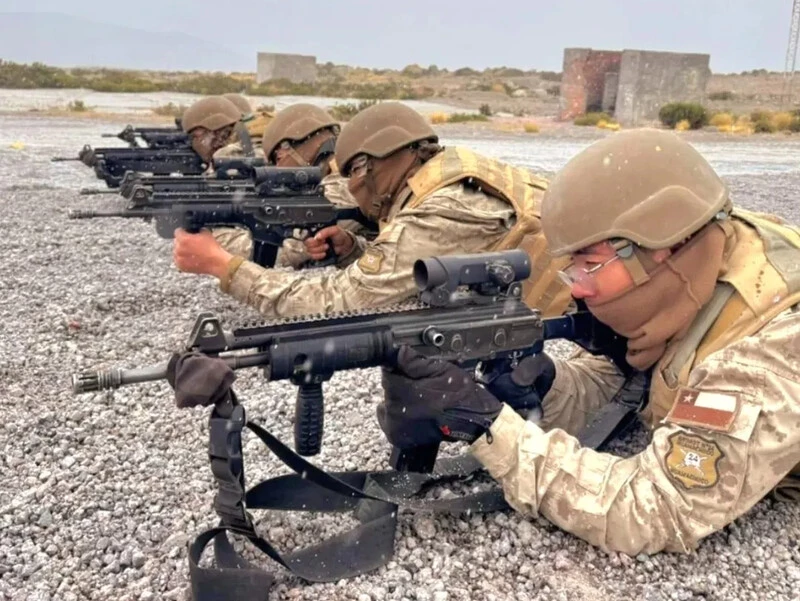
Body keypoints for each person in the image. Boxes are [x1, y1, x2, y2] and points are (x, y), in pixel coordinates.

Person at [377, 128, 800, 555]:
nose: (577, 289)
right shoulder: (691, 268)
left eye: (589, 265)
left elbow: (655, 510)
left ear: (661, 249)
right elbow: (630, 382)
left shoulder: (768, 348)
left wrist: (489, 424)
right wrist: (547, 387)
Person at [172, 102, 572, 320]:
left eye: (359, 170)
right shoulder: (450, 172)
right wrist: (353, 249)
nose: (354, 185)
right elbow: (418, 263)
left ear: (382, 159)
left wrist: (226, 267)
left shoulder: (444, 209)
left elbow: (339, 301)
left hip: (583, 324)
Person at [208, 102, 375, 269]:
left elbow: (288, 247)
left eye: (277, 159)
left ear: (288, 149)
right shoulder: (337, 177)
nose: (277, 169)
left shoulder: (347, 182)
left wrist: (219, 235)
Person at [179, 96, 264, 165]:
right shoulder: (247, 143)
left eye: (195, 136)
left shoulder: (228, 154)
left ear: (216, 132)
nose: (193, 143)